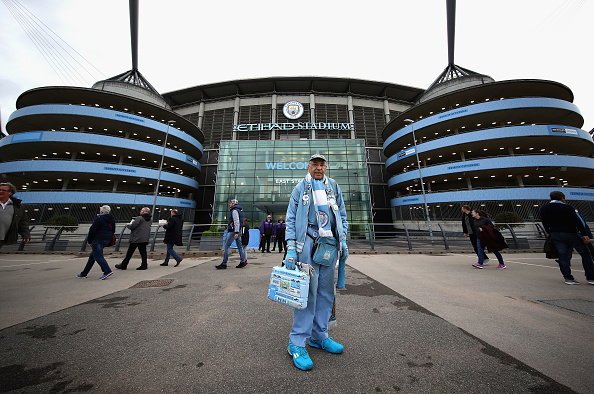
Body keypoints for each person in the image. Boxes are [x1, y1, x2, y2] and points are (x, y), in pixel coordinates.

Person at [284, 154, 349, 371]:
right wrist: (291, 248)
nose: (319, 168)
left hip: (329, 247)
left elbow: (342, 216)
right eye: (315, 165)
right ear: (309, 167)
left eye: (322, 165)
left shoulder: (334, 187)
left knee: (326, 292)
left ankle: (319, 336)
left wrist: (344, 240)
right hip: (307, 246)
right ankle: (296, 343)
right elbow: (291, 219)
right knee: (306, 295)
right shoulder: (300, 188)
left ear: (325, 167)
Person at [540, 191, 594, 285]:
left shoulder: (544, 208)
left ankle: (568, 278)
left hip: (555, 234)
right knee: (585, 253)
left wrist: (549, 232)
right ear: (562, 198)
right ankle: (590, 277)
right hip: (570, 233)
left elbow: (544, 222)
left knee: (563, 256)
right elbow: (577, 221)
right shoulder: (567, 207)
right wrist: (585, 234)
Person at [78, 205, 115, 280]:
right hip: (107, 238)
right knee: (93, 256)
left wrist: (90, 241)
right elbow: (113, 230)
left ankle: (107, 270)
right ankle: (84, 273)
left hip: (98, 239)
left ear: (101, 211)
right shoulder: (111, 219)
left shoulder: (99, 219)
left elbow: (92, 230)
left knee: (98, 256)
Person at [216, 199, 248, 269]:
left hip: (234, 231)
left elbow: (236, 221)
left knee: (227, 245)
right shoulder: (239, 211)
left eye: (230, 203)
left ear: (233, 204)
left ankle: (224, 263)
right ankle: (242, 261)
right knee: (239, 246)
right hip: (238, 230)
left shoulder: (234, 211)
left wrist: (236, 232)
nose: (229, 204)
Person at [0, 182, 30, 249]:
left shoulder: (17, 207)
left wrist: (25, 235)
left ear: (10, 193)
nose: (1, 192)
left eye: (3, 190)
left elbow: (22, 222)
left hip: (3, 236)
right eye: (0, 190)